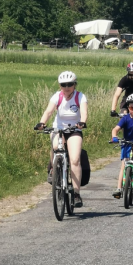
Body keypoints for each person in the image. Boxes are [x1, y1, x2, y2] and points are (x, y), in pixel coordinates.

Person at [35, 71, 88, 208]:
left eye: (69, 84)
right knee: (56, 147)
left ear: (74, 85)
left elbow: (84, 112)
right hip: (58, 129)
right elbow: (48, 111)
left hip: (74, 130)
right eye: (64, 85)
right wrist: (42, 123)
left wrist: (82, 122)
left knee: (75, 159)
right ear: (60, 86)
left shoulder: (80, 97)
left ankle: (76, 194)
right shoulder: (57, 97)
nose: (66, 87)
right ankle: (53, 168)